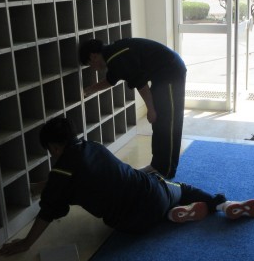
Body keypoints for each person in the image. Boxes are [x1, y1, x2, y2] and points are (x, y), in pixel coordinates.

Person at [0, 117, 254, 255]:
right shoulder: (94, 147)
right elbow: (68, 179)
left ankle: (169, 217)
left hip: (130, 226)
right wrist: (43, 185)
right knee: (182, 188)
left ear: (54, 147)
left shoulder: (60, 175)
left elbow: (48, 210)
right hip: (152, 193)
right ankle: (221, 204)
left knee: (124, 205)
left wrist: (26, 243)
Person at [79, 37, 186, 179]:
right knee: (160, 122)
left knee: (169, 122)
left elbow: (141, 84)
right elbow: (110, 80)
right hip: (161, 75)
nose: (93, 68)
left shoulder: (117, 57)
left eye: (90, 64)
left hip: (171, 73)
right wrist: (88, 90)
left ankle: (166, 171)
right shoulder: (112, 55)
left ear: (93, 56)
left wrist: (151, 109)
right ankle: (157, 165)